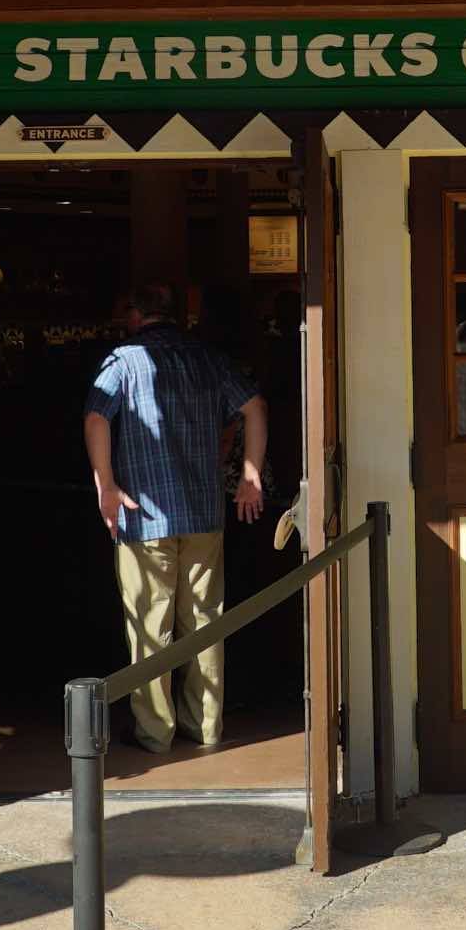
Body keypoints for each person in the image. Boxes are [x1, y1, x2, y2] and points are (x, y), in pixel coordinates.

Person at [83, 279, 267, 755]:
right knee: (205, 621)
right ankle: (205, 725)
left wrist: (106, 485)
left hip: (143, 514)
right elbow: (254, 407)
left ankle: (155, 732)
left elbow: (97, 417)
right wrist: (250, 475)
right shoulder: (208, 358)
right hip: (204, 510)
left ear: (134, 315)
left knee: (150, 624)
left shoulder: (123, 361)